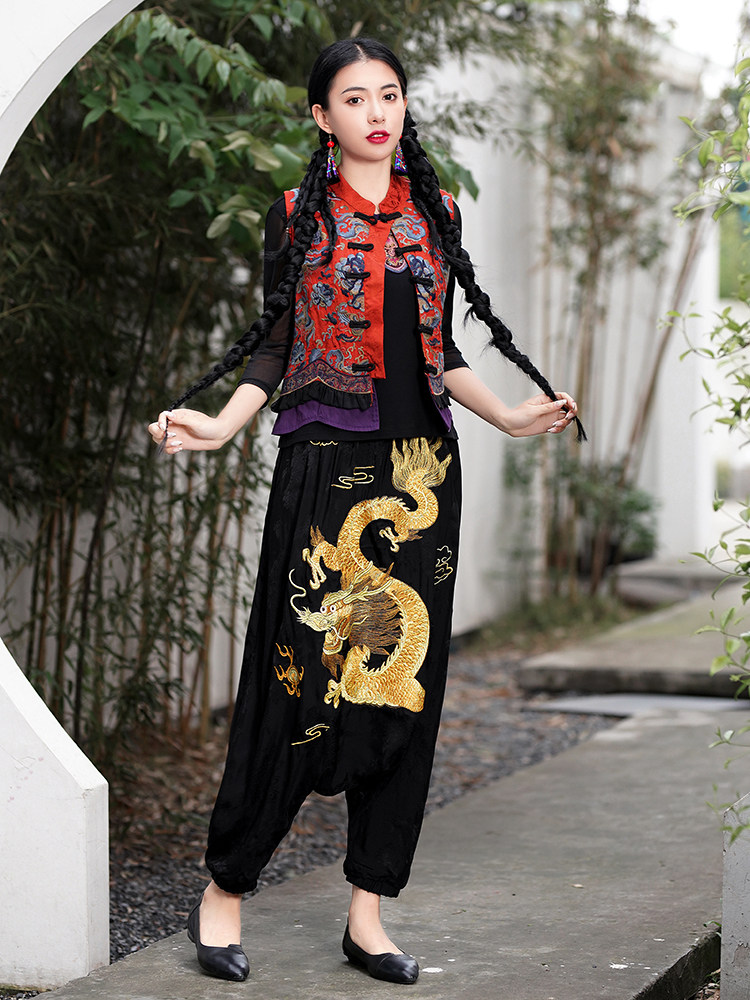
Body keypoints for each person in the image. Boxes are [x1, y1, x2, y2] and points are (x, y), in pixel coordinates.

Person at [148, 37, 580, 986]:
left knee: (402, 691)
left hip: (420, 468)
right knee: (295, 682)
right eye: (354, 98)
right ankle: (225, 890)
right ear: (322, 116)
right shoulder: (296, 213)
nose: (377, 112)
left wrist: (512, 416)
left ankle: (369, 914)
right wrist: (219, 426)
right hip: (324, 464)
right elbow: (275, 345)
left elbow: (441, 351)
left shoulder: (437, 209)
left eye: (389, 94)